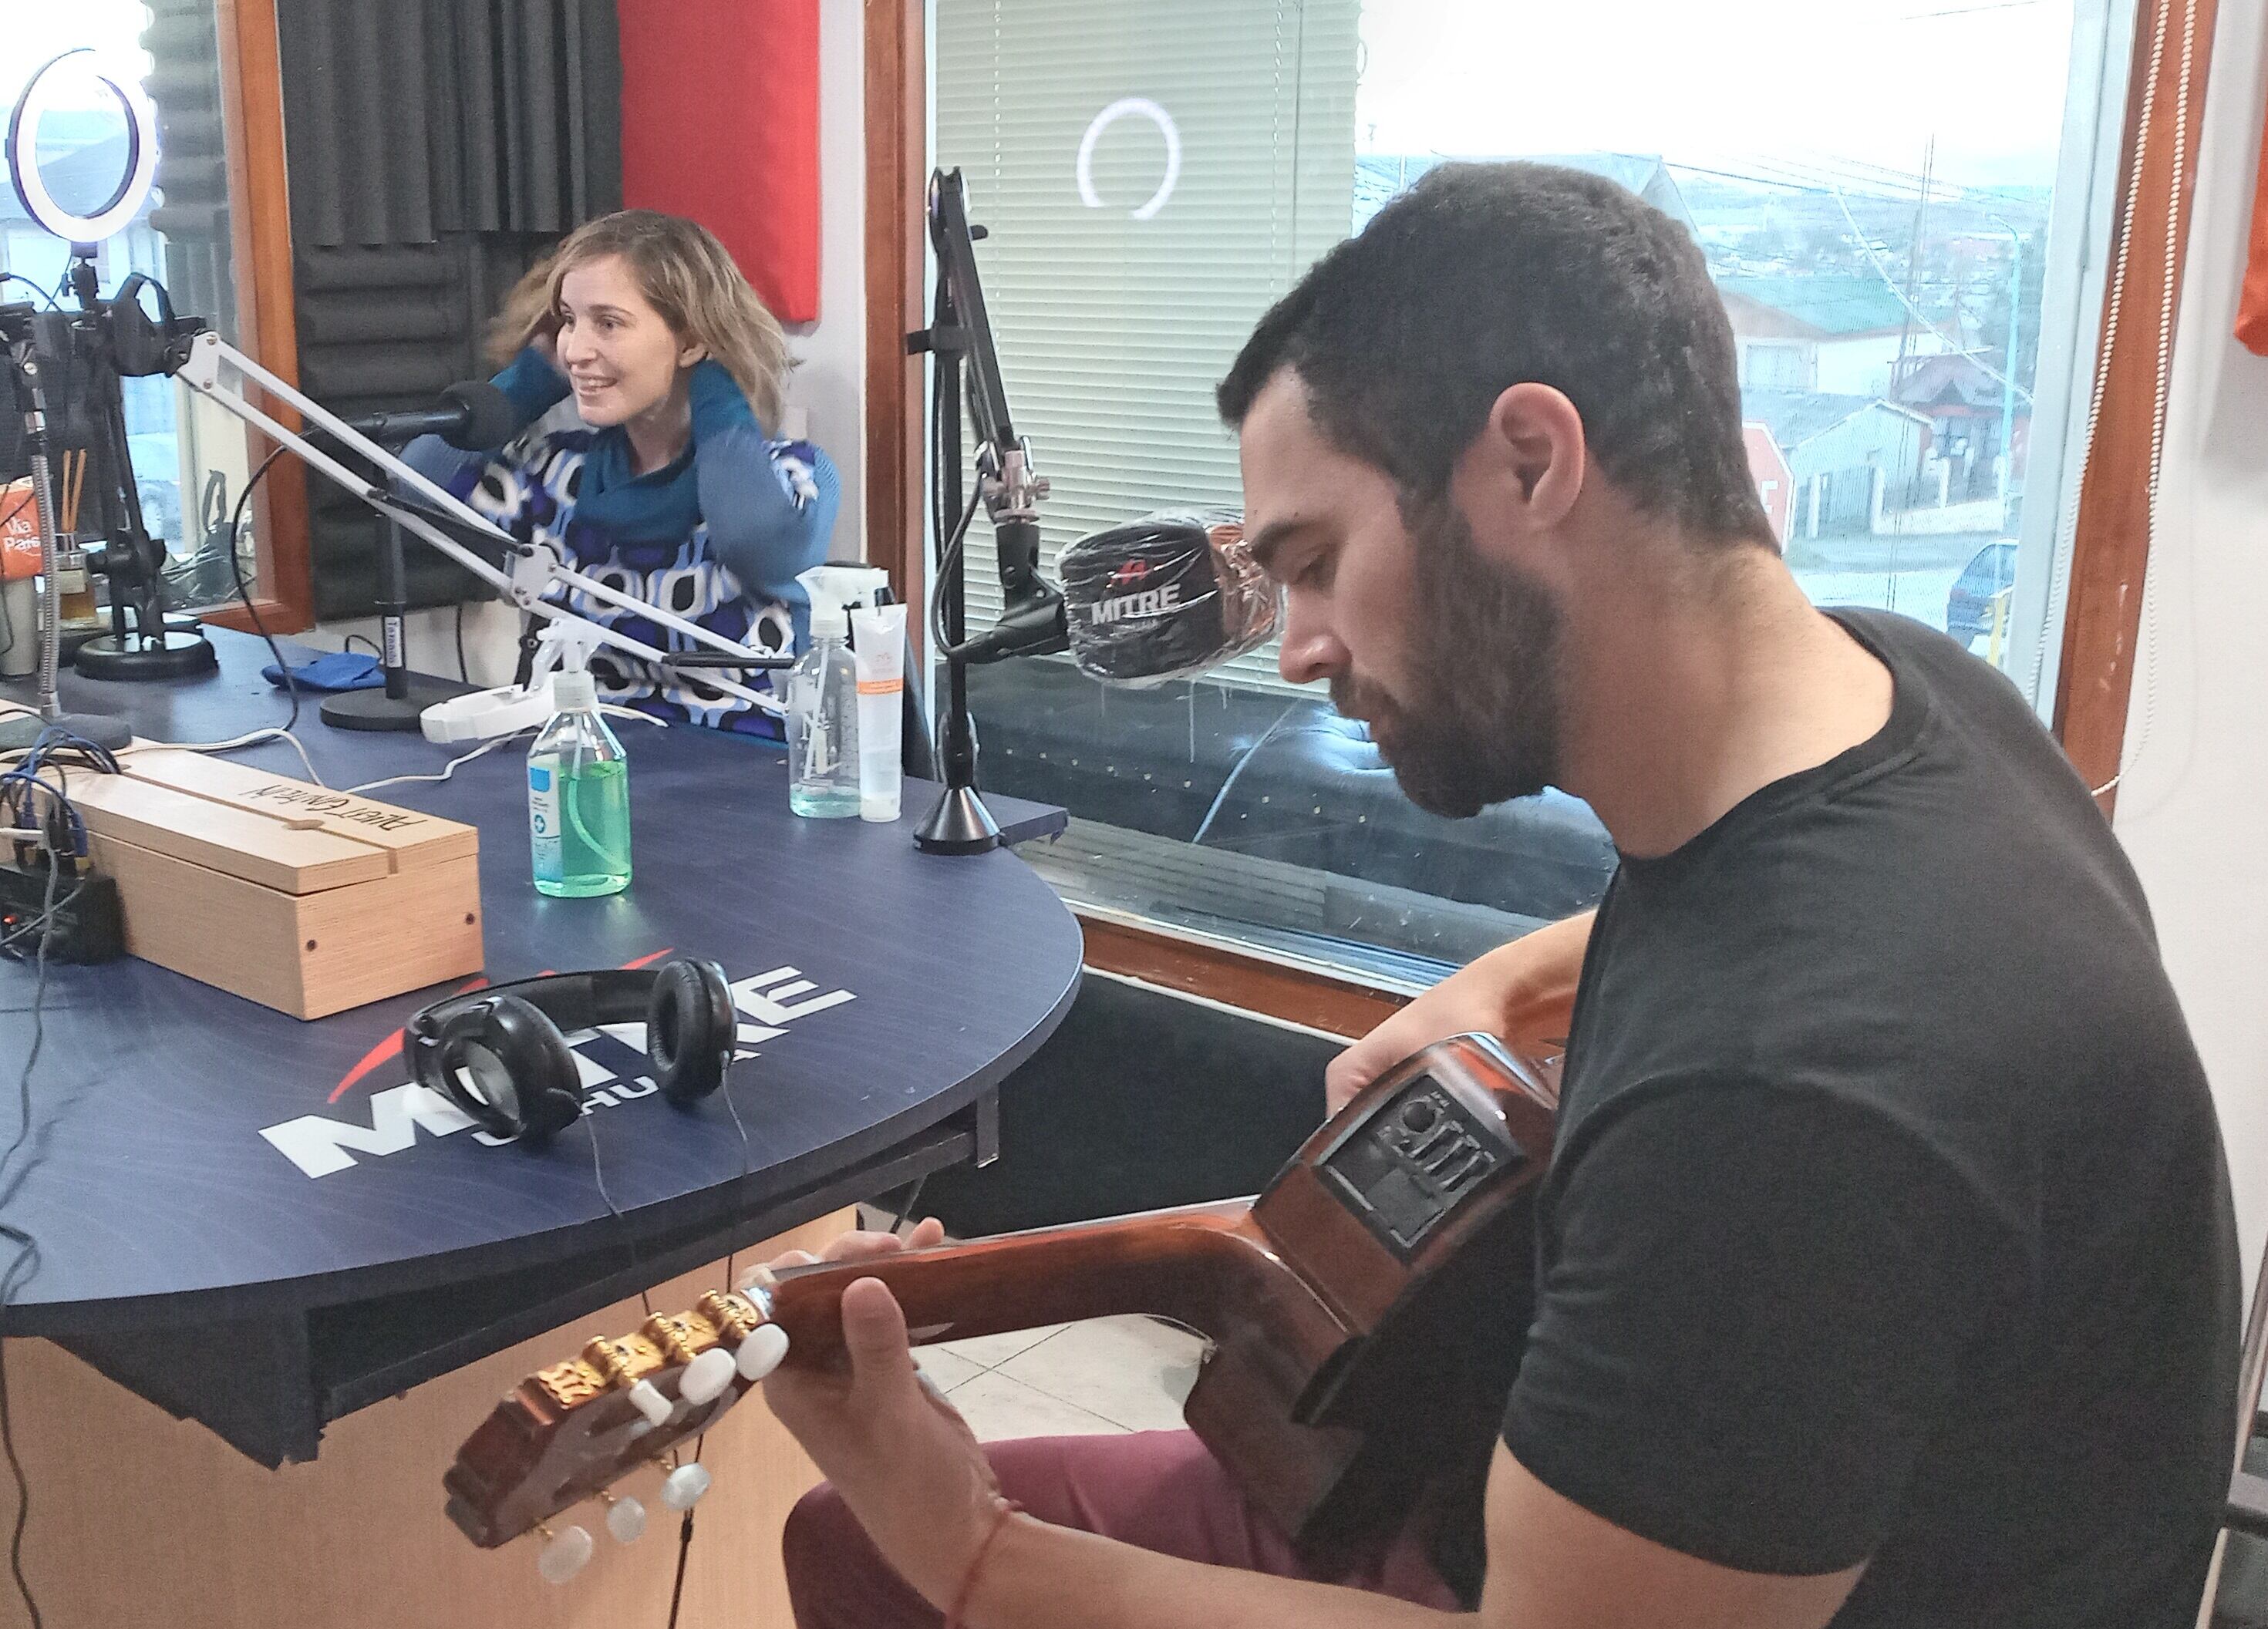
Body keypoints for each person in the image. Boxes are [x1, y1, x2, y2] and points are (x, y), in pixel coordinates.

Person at [760, 162, 2240, 1629]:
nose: (1297, 646)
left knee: (903, 1558)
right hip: (1591, 1517)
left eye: (1322, 563)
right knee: (849, 1542)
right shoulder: (1904, 688)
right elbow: (1732, 906)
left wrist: (970, 1547)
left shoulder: (1789, 1105)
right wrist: (1493, 989)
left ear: (1531, 462)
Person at [406, 208, 838, 735]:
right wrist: (534, 374)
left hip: (747, 789)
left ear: (690, 339)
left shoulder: (791, 475)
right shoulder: (556, 475)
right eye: (567, 320)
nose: (576, 349)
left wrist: (716, 382)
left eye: (607, 323)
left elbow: (758, 544)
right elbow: (416, 487)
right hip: (592, 767)